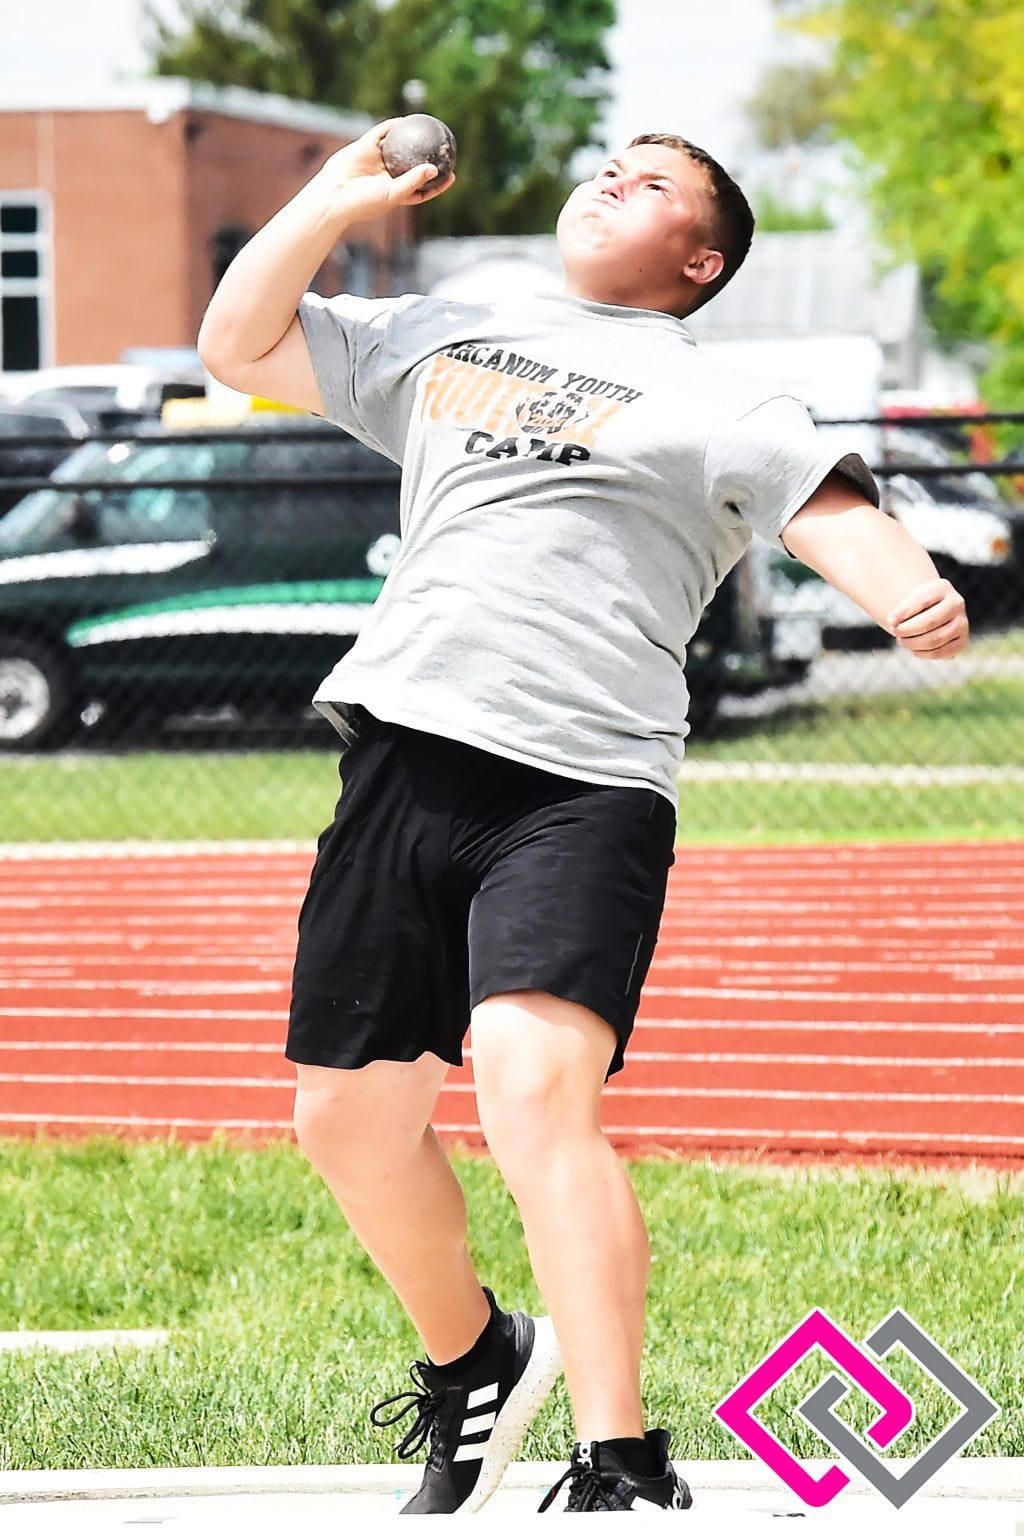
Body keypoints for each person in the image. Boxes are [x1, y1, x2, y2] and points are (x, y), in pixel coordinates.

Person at [197, 119, 969, 1516]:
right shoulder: (457, 330)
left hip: (580, 785)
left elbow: (825, 501)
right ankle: (479, 1356)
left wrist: (905, 586)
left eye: (656, 179)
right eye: (610, 160)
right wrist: (327, 193)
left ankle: (622, 1460)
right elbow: (238, 347)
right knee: (345, 1124)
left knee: (533, 1094)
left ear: (701, 255)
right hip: (404, 761)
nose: (615, 174)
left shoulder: (719, 395)